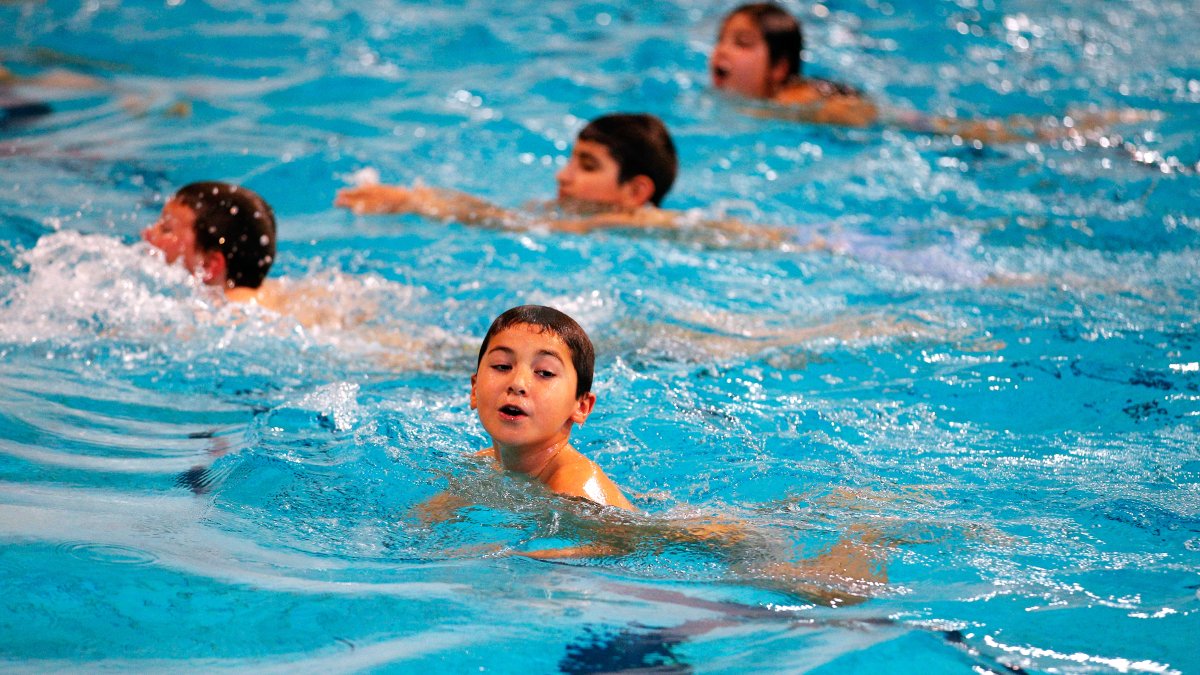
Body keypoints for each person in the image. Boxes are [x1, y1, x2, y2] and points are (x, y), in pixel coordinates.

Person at [415, 304, 887, 606]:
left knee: (824, 594)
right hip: (659, 517)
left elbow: (612, 547)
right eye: (501, 366)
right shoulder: (483, 462)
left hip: (713, 537)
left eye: (544, 373)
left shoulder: (574, 487)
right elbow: (432, 517)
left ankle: (871, 534)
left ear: (582, 407)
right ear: (474, 389)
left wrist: (510, 558)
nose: (517, 381)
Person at [711, 2, 1149, 142]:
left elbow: (857, 118)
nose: (722, 51)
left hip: (892, 125)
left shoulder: (795, 101)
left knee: (978, 132)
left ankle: (1077, 131)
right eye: (722, 39)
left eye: (743, 43)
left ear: (781, 67)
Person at [335, 113, 788, 246]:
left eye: (587, 166)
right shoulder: (562, 212)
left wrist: (417, 201)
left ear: (637, 192)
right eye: (571, 160)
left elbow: (730, 232)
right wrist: (417, 199)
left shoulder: (637, 222)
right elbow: (504, 216)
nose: (563, 176)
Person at [142, 181, 277, 302]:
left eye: (166, 230)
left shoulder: (212, 316)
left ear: (209, 265)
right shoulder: (272, 294)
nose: (147, 233)